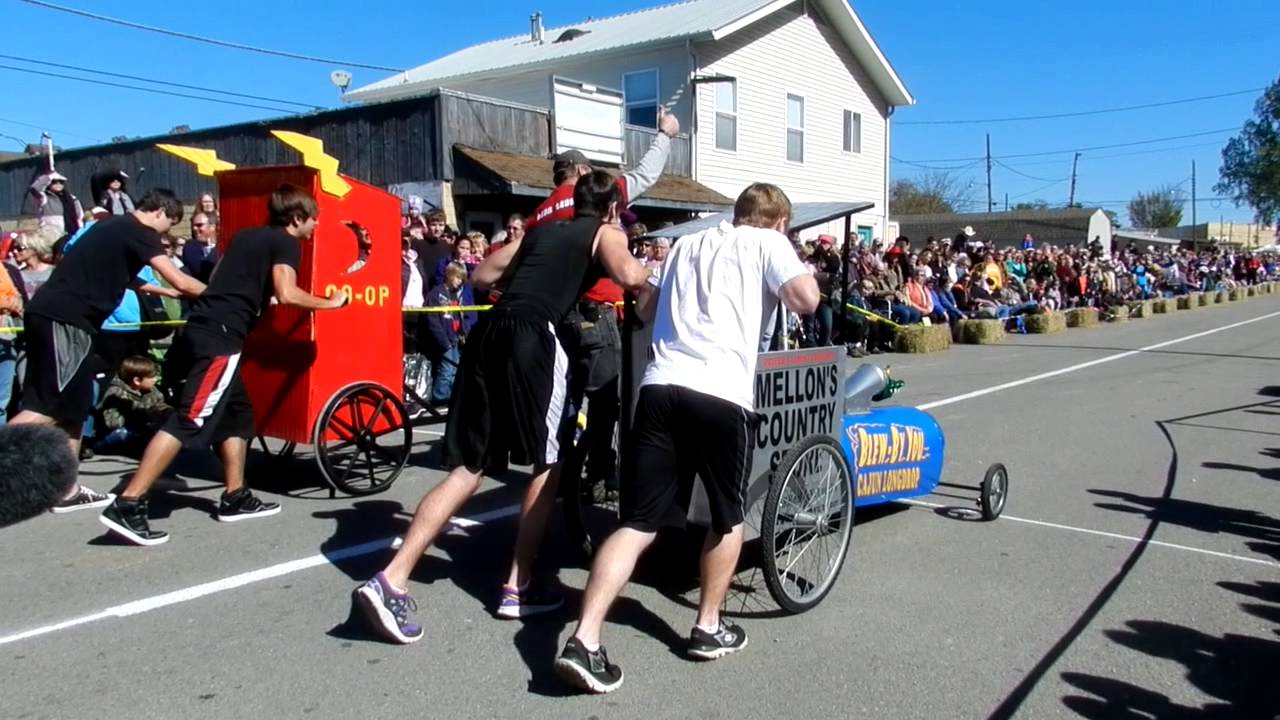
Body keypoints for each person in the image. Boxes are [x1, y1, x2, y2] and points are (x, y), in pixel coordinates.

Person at [352, 170, 651, 644]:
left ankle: (391, 578)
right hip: (535, 337)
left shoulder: (543, 231)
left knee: (470, 468)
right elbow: (630, 275)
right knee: (548, 462)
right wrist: (650, 280)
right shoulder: (605, 231)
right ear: (613, 208)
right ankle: (519, 584)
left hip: (491, 332)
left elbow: (482, 274)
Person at [554, 183, 819, 694]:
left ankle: (584, 639)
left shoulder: (687, 244)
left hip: (661, 385)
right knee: (726, 517)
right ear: (778, 222)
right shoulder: (768, 242)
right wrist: (796, 280)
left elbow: (648, 310)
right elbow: (805, 300)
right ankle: (708, 626)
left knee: (637, 522)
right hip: (720, 391)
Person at [97, 185, 348, 544]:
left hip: (203, 325)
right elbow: (288, 293)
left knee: (239, 414)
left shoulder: (247, 236)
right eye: (314, 220)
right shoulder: (286, 243)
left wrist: (251, 301)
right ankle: (128, 502)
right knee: (190, 418)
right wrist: (332, 302)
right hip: (221, 335)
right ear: (296, 218)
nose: (316, 227)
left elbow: (221, 281)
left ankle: (235, 495)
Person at [8, 189, 205, 512]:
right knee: (48, 404)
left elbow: (124, 278)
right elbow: (182, 280)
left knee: (75, 405)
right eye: (168, 224)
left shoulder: (110, 227)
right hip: (66, 319)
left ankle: (66, 489)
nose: (164, 234)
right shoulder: (140, 231)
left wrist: (161, 289)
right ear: (159, 213)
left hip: (60, 317)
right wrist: (223, 295)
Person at [525, 111, 681, 502]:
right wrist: (665, 134)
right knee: (606, 400)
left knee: (565, 400)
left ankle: (555, 472)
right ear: (579, 171)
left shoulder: (537, 216)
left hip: (556, 317)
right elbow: (645, 174)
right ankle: (598, 473)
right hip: (596, 312)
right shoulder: (590, 198)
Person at [422, 262, 476, 404]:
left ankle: (450, 396)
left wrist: (464, 332)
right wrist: (443, 341)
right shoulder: (436, 294)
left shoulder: (456, 296)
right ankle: (440, 397)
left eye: (462, 279)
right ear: (449, 275)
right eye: (458, 277)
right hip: (444, 338)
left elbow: (460, 316)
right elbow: (432, 320)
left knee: (454, 369)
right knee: (446, 370)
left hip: (455, 336)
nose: (460, 282)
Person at [95, 355, 170, 456]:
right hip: (109, 435)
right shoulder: (116, 393)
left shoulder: (153, 391)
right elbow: (112, 423)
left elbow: (160, 405)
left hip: (142, 430)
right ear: (137, 381)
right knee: (123, 434)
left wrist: (168, 412)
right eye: (151, 377)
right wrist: (143, 414)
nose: (155, 379)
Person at [181, 212, 220, 282]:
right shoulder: (190, 247)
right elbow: (196, 270)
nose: (194, 228)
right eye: (193, 225)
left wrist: (211, 249)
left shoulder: (223, 247)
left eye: (199, 225)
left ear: (212, 227)